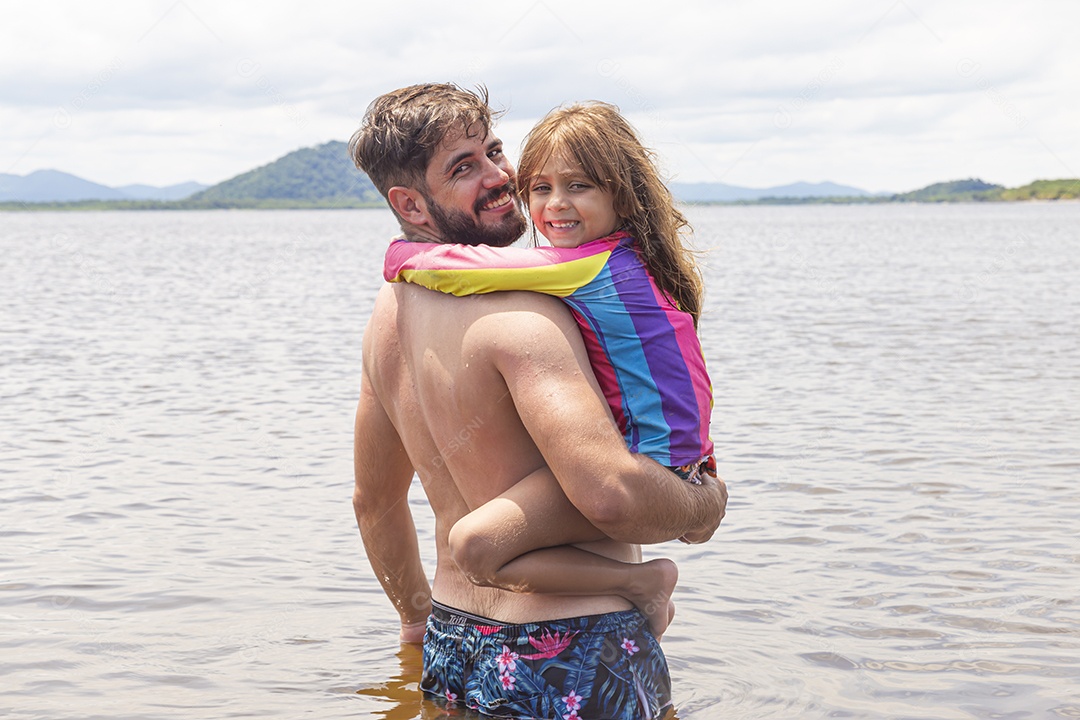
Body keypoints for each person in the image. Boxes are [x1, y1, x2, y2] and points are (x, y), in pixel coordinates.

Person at [350, 83, 726, 720]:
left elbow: (375, 502)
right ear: (409, 203)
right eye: (465, 168)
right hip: (569, 645)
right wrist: (702, 501)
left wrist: (416, 628)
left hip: (451, 640)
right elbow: (613, 495)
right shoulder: (532, 315)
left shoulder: (388, 316)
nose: (501, 175)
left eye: (496, 151)